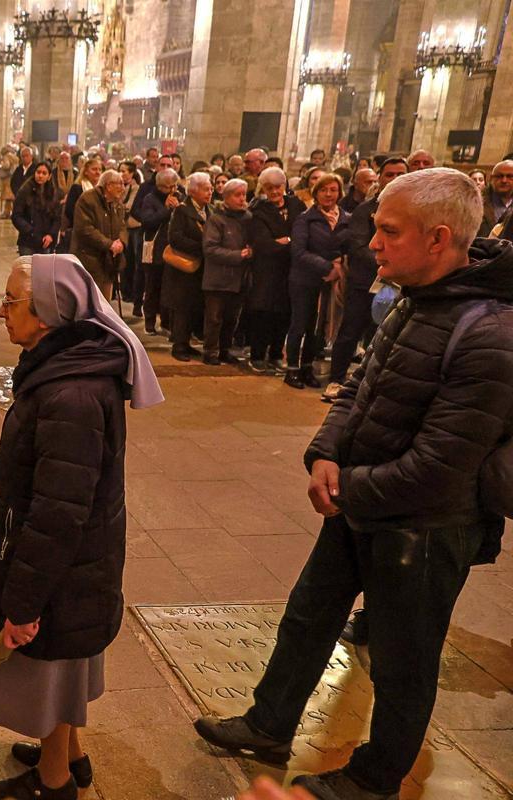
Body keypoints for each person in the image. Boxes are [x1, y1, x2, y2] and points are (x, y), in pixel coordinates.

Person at [195, 168, 513, 800]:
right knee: (308, 616)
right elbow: (357, 390)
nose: (373, 244)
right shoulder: (415, 296)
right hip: (360, 504)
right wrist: (324, 455)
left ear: (438, 238)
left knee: (403, 660)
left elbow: (442, 464)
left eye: (389, 232)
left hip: (423, 531)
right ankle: (269, 723)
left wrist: (348, 488)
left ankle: (374, 778)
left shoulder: (489, 332)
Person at [0, 253, 163, 800]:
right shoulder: (62, 366)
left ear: (49, 314)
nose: (1, 312)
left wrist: (23, 600)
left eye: (11, 302)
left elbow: (58, 513)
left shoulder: (70, 393)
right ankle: (71, 756)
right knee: (65, 663)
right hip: (76, 563)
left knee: (53, 662)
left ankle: (53, 783)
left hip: (65, 565)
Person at [323, 157, 408, 402]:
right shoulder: (366, 209)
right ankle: (336, 380)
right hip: (365, 283)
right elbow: (358, 246)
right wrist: (390, 262)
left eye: (400, 173)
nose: (394, 179)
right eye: (389, 174)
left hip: (398, 284)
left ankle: (369, 383)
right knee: (350, 331)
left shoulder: (415, 210)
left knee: (382, 335)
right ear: (380, 178)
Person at [286, 173, 350, 390]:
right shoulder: (305, 219)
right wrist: (328, 267)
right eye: (324, 190)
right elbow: (298, 251)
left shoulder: (346, 219)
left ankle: (307, 367)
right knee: (300, 324)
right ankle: (292, 369)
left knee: (318, 328)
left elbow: (348, 246)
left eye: (333, 190)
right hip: (304, 280)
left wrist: (340, 265)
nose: (329, 194)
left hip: (330, 283)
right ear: (316, 193)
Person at [245, 167, 303, 373]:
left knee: (285, 314)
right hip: (267, 271)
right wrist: (290, 241)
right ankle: (257, 355)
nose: (275, 192)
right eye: (270, 188)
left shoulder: (296, 205)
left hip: (291, 269)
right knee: (264, 314)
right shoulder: (258, 211)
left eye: (278, 187)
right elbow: (263, 244)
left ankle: (277, 354)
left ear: (285, 186)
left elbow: (302, 234)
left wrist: (284, 241)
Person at [201, 178, 253, 364]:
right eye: (237, 195)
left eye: (244, 195)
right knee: (214, 318)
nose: (241, 199)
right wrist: (238, 254)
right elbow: (210, 248)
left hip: (239, 279)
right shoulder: (216, 220)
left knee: (232, 318)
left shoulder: (248, 218)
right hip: (218, 278)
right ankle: (210, 351)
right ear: (226, 197)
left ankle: (225, 349)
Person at [162, 171, 212, 362]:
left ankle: (187, 343)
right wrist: (203, 248)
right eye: (206, 189)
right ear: (193, 191)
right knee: (182, 306)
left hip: (201, 268)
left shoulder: (210, 210)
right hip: (184, 267)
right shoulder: (182, 210)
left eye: (210, 189)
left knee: (194, 306)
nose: (210, 193)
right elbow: (175, 238)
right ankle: (179, 345)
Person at [136, 168, 182, 335]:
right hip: (155, 250)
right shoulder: (150, 199)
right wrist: (166, 210)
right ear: (159, 186)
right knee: (152, 287)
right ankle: (149, 322)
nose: (172, 190)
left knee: (169, 289)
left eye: (174, 186)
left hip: (173, 251)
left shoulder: (179, 197)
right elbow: (147, 221)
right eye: (168, 187)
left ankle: (166, 322)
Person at [69, 169, 128, 301]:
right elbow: (85, 229)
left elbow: (123, 226)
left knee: (105, 302)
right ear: (108, 185)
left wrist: (121, 243)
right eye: (120, 184)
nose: (123, 188)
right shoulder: (87, 199)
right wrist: (109, 244)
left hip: (109, 261)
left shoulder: (117, 202)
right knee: (88, 301)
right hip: (89, 259)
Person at [13, 162, 61, 257]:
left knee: (43, 271)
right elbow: (16, 216)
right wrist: (30, 231)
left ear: (49, 176)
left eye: (44, 173)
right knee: (27, 269)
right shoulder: (25, 191)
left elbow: (57, 217)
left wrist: (51, 235)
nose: (40, 175)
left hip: (45, 241)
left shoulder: (53, 194)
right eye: (38, 172)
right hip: (27, 241)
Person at [63, 156, 104, 254]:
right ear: (85, 172)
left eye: (100, 169)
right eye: (94, 169)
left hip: (98, 232)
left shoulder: (102, 189)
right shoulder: (77, 188)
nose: (97, 172)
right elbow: (69, 210)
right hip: (79, 231)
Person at [120, 162, 145, 315]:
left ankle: (133, 293)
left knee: (135, 261)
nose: (122, 174)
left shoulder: (137, 188)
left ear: (132, 173)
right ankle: (125, 291)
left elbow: (128, 206)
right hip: (124, 228)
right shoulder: (122, 187)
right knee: (125, 261)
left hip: (135, 228)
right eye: (120, 171)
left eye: (124, 171)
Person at [479, 160, 513, 237]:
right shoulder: (476, 200)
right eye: (499, 176)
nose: (504, 180)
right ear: (491, 178)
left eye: (510, 176)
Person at [0, 148, 18, 218]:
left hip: (7, 178)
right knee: (11, 198)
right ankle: (11, 212)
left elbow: (6, 165)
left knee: (8, 197)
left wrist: (1, 164)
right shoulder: (14, 157)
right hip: (13, 178)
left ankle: (7, 212)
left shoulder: (6, 157)